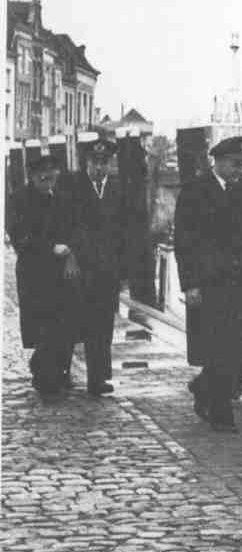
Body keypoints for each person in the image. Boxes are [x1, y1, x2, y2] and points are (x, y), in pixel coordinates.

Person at [174, 137, 242, 432]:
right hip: (210, 283)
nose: (240, 170)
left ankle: (204, 387)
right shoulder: (195, 192)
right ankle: (220, 411)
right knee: (220, 348)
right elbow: (184, 242)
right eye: (236, 164)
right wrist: (190, 284)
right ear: (219, 161)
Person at [7, 155, 80, 397]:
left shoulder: (62, 199)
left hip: (61, 273)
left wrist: (70, 255)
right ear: (31, 175)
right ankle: (45, 377)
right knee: (43, 326)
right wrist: (50, 248)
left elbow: (74, 230)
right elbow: (19, 236)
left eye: (51, 171)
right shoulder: (18, 200)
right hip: (34, 274)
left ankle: (57, 371)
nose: (47, 176)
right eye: (41, 172)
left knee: (63, 323)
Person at [69, 138, 128, 396]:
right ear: (86, 162)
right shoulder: (74, 188)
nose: (99, 167)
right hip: (81, 269)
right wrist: (70, 257)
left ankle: (98, 378)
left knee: (103, 325)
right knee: (78, 323)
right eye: (95, 162)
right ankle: (61, 372)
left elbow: (124, 232)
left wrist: (123, 271)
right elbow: (66, 226)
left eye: (104, 162)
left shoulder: (116, 190)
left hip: (108, 271)